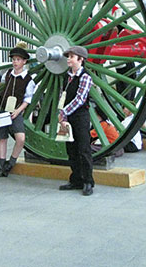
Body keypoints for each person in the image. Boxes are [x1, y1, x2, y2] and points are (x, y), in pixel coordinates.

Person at [58, 46, 94, 196]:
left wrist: (64, 111)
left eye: (72, 56)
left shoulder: (85, 77)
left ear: (81, 59)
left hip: (80, 117)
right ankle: (76, 179)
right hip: (69, 117)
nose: (68, 59)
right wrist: (62, 115)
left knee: (84, 149)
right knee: (71, 149)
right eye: (69, 56)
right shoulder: (67, 77)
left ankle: (88, 182)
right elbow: (63, 96)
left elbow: (80, 99)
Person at [0, 46, 35, 178]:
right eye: (14, 59)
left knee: (20, 138)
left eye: (18, 59)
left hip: (15, 111)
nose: (15, 62)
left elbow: (28, 99)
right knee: (2, 138)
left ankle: (11, 162)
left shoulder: (28, 80)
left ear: (24, 62)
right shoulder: (7, 74)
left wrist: (18, 111)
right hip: (2, 109)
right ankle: (2, 165)